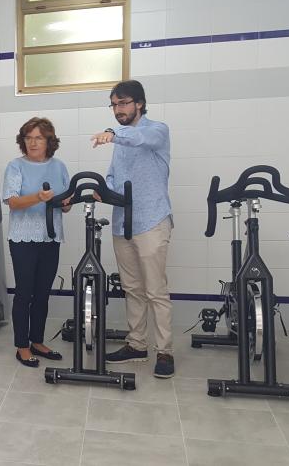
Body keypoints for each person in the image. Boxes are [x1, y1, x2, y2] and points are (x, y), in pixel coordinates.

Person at [90, 79, 175, 378]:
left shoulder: (157, 130)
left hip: (151, 220)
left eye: (123, 103)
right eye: (114, 105)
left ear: (139, 103)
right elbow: (114, 176)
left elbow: (140, 139)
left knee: (155, 290)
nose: (118, 109)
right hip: (122, 224)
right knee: (132, 289)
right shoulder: (120, 144)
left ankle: (164, 351)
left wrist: (113, 133)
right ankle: (137, 345)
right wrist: (105, 189)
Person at [3, 117, 72, 368]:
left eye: (38, 138)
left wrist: (66, 204)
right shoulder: (15, 166)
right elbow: (12, 201)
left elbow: (66, 205)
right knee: (24, 293)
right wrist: (38, 197)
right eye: (28, 138)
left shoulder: (59, 166)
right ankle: (22, 345)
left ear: (48, 141)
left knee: (42, 293)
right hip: (22, 239)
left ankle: (38, 341)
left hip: (50, 238)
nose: (32, 142)